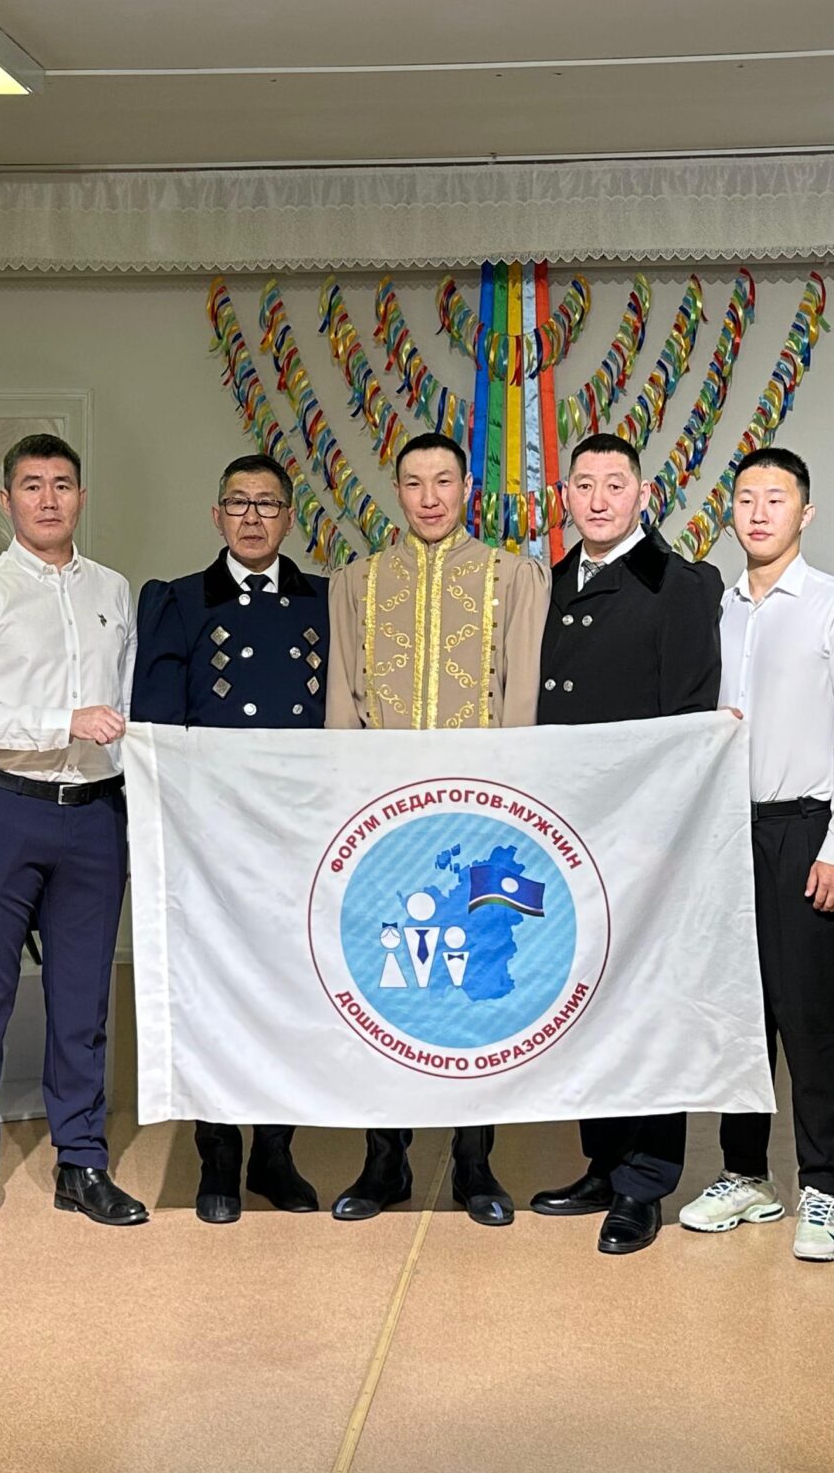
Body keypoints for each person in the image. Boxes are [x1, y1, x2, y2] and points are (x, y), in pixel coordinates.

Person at [325, 430, 551, 1224]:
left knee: (474, 988)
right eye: (415, 482)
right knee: (385, 980)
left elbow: (521, 697)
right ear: (397, 490)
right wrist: (345, 806)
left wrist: (510, 805)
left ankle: (474, 1162)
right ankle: (383, 1159)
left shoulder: (512, 576)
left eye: (444, 481)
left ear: (467, 491)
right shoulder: (357, 581)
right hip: (383, 824)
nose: (429, 497)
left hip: (477, 824)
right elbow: (343, 704)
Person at [0, 433, 147, 1250]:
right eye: (32, 485)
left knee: (83, 1003)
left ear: (82, 497)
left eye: (62, 484)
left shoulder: (113, 590)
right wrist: (64, 722)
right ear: (6, 499)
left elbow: (128, 705)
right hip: (1, 809)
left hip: (94, 815)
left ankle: (81, 1164)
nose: (48, 498)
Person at [685, 446, 834, 1263]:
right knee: (739, 1014)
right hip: (726, 832)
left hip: (808, 829)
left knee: (813, 1016)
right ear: (729, 513)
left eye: (776, 498)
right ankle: (745, 1174)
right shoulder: (718, 609)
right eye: (745, 498)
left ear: (806, 513)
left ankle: (824, 1187)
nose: (759, 512)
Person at [525, 433, 724, 1255]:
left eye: (615, 484)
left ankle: (644, 1183)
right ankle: (602, 1163)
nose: (599, 499)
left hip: (645, 834)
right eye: (584, 485)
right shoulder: (546, 584)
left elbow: (688, 719)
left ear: (643, 494)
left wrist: (662, 832)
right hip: (564, 834)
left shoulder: (681, 584)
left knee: (648, 1006)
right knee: (585, 1002)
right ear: (564, 498)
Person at [130, 454, 328, 1222]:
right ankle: (217, 1152)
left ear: (289, 518)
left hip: (298, 833)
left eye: (267, 504)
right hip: (210, 835)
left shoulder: (324, 601)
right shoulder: (177, 601)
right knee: (214, 993)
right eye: (238, 503)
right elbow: (156, 727)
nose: (252, 517)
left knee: (288, 991)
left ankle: (275, 1151)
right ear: (216, 516)